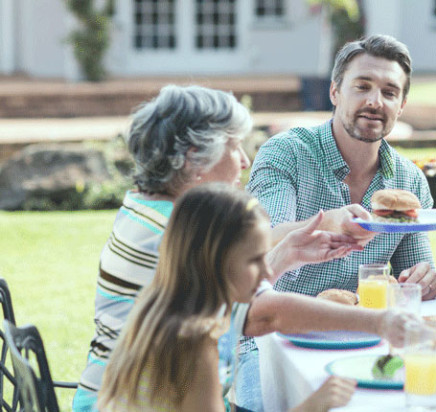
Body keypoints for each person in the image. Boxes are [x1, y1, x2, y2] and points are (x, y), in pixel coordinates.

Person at [74, 85, 417, 412]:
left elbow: (229, 298)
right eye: (234, 146)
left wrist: (288, 253)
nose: (243, 160)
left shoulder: (146, 209)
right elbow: (262, 313)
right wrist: (379, 322)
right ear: (195, 156)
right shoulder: (174, 232)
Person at [242, 34, 436, 410]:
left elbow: (416, 275)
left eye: (389, 91)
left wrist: (422, 280)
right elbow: (259, 242)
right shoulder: (288, 152)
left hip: (361, 339)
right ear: (334, 92)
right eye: (362, 86)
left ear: (402, 105)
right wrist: (328, 222)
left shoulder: (409, 181)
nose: (374, 101)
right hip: (270, 334)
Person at [98, 184, 361, 411]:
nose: (268, 269)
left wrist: (289, 253)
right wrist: (313, 405)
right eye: (255, 260)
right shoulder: (194, 345)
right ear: (216, 262)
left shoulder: (166, 304)